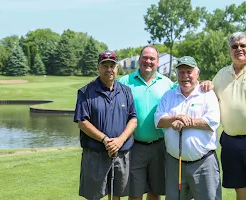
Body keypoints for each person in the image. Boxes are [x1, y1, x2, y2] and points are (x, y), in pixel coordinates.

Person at [154, 56, 221, 200]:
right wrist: (174, 119)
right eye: (182, 72)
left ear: (197, 73)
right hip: (174, 163)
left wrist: (186, 122)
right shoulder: (169, 95)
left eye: (189, 72)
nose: (185, 76)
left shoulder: (207, 94)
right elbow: (158, 121)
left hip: (203, 164)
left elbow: (212, 122)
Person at [74, 50, 137, 200]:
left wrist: (119, 141)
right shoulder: (86, 92)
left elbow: (133, 119)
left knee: (116, 195)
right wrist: (105, 140)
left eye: (112, 65)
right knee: (93, 196)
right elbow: (82, 122)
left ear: (117, 68)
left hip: (120, 152)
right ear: (98, 68)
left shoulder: (126, 92)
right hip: (95, 154)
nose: (109, 69)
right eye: (105, 65)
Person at [118, 45, 174, 200]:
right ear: (139, 59)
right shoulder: (125, 82)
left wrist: (207, 84)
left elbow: (187, 92)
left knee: (155, 192)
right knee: (135, 193)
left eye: (152, 59)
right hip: (134, 146)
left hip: (159, 146)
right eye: (145, 57)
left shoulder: (167, 84)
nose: (148, 61)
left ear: (157, 62)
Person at [212, 32, 246, 200]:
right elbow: (211, 100)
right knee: (241, 192)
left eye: (243, 45)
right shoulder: (221, 74)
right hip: (231, 141)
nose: (239, 49)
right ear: (229, 50)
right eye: (234, 46)